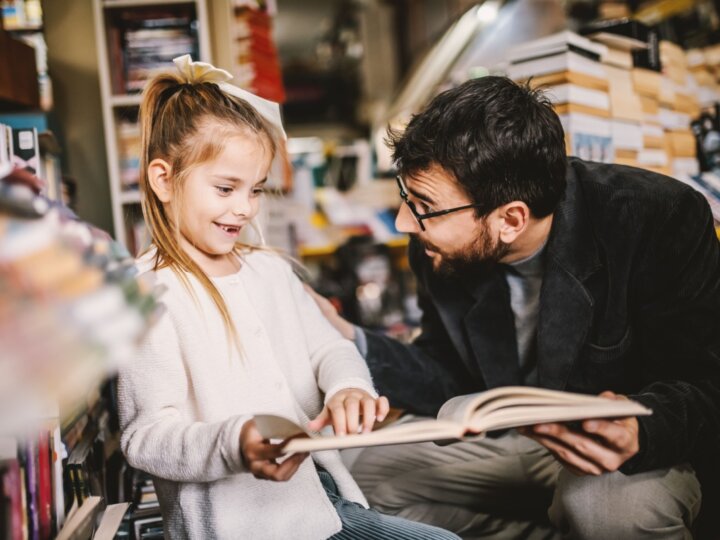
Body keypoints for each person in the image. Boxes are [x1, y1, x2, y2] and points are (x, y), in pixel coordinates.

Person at [310, 76, 720, 539]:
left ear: (511, 219)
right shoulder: (439, 247)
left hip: (635, 457)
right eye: (407, 196)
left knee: (603, 506)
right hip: (520, 446)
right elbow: (449, 373)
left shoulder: (656, 217)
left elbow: (706, 383)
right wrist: (345, 335)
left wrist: (640, 427)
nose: (406, 222)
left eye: (423, 204)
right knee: (357, 473)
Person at [117, 55, 461, 540]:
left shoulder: (271, 271)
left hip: (323, 504)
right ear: (162, 179)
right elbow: (146, 437)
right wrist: (236, 443)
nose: (244, 207)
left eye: (255, 189)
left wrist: (348, 388)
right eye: (225, 188)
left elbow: (331, 348)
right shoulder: (148, 293)